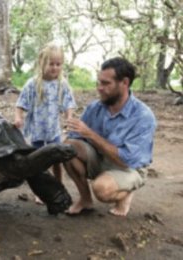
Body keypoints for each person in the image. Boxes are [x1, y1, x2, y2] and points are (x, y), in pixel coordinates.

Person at [64, 57, 156, 216]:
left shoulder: (143, 116)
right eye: (99, 82)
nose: (99, 88)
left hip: (129, 167)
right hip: (101, 158)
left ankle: (126, 191)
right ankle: (85, 200)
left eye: (106, 84)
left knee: (102, 190)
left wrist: (90, 134)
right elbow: (75, 138)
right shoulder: (95, 108)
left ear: (125, 83)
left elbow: (126, 160)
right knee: (66, 148)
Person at [14, 43, 76, 204]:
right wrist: (18, 117)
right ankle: (41, 191)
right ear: (42, 63)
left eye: (58, 64)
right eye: (51, 64)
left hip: (53, 130)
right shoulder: (33, 84)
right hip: (37, 131)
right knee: (39, 163)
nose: (55, 68)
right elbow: (21, 103)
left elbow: (69, 103)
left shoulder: (62, 85)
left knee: (57, 160)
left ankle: (59, 186)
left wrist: (69, 117)